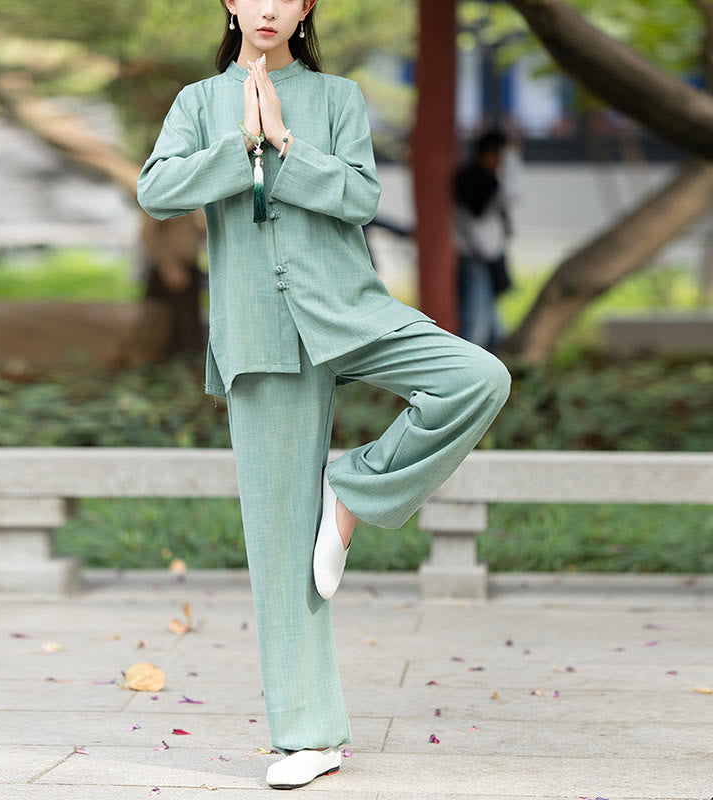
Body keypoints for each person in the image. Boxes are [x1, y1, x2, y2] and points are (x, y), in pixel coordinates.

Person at [137, 0, 510, 790]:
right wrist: (239, 143)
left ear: (306, 6)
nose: (269, 7)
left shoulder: (338, 97)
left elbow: (362, 198)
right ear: (231, 3)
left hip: (349, 306)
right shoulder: (198, 102)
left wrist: (284, 144)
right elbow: (158, 191)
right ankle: (307, 734)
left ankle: (353, 488)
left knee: (476, 377)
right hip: (257, 329)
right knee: (281, 549)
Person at [453, 128, 514, 351]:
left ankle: (491, 364)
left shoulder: (481, 179)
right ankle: (469, 371)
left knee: (490, 321)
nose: (502, 162)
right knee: (477, 321)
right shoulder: (479, 181)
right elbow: (512, 194)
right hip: (476, 256)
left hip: (484, 255)